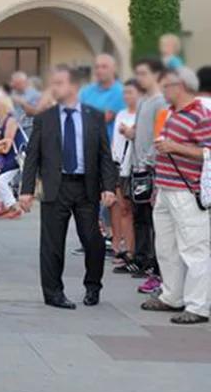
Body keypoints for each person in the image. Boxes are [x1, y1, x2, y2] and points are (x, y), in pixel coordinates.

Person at [19, 65, 117, 310]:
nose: (55, 87)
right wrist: (26, 190)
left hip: (86, 187)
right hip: (56, 186)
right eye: (53, 83)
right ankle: (53, 293)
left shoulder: (93, 116)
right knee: (52, 243)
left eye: (60, 82)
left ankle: (93, 286)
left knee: (92, 240)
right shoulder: (45, 118)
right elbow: (33, 156)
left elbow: (105, 154)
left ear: (74, 86)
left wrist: (109, 186)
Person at [140, 67, 211, 324]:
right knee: (166, 247)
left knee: (195, 248)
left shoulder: (201, 115)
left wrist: (176, 148)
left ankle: (198, 306)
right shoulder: (170, 114)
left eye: (167, 85)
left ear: (180, 86)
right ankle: (172, 296)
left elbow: (208, 151)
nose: (163, 90)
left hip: (187, 191)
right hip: (166, 188)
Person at [126, 58, 166, 290]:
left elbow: (158, 135)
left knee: (154, 220)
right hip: (138, 168)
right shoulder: (143, 102)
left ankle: (155, 265)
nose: (140, 78)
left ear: (156, 75)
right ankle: (141, 258)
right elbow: (139, 134)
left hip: (150, 169)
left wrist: (149, 162)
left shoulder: (160, 102)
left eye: (143, 73)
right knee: (139, 216)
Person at [109, 80, 140, 270]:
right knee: (121, 209)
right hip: (119, 166)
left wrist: (130, 133)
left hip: (134, 167)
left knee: (132, 210)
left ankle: (134, 250)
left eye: (131, 92)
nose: (127, 96)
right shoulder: (121, 113)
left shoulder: (142, 114)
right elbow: (115, 141)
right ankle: (123, 247)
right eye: (125, 92)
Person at [79, 54, 126, 142]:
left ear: (114, 69)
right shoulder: (86, 91)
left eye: (104, 67)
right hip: (86, 143)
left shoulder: (120, 92)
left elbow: (104, 119)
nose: (99, 70)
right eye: (97, 67)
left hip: (107, 146)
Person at [9, 71, 45, 139]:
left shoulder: (35, 95)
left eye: (15, 83)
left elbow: (35, 112)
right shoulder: (14, 92)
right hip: (14, 128)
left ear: (23, 83)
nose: (12, 85)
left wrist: (22, 102)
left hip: (28, 128)